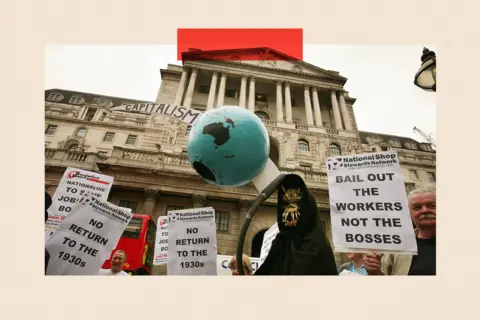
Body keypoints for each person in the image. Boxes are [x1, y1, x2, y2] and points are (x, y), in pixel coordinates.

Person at [254, 174, 338, 275]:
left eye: (296, 203)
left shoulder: (317, 245)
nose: (290, 211)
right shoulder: (280, 241)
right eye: (285, 203)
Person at [364, 187, 436, 275]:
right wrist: (375, 272)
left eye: (431, 206)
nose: (425, 210)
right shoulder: (397, 247)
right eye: (417, 208)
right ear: (409, 214)